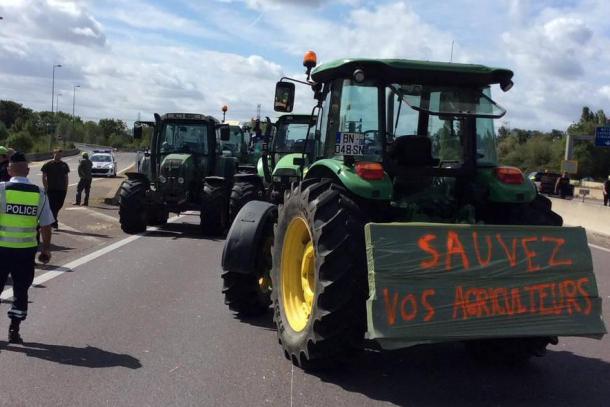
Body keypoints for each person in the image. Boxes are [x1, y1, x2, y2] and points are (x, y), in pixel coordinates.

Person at [0, 152, 54, 343]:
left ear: (8, 169)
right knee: (21, 291)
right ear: (28, 170)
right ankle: (14, 330)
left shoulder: (1, 189)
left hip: (1, 250)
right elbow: (46, 225)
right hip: (25, 252)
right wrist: (46, 249)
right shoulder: (39, 193)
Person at [41, 149, 69, 229]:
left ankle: (52, 220)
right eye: (57, 154)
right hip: (51, 189)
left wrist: (66, 187)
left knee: (59, 206)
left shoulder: (64, 165)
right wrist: (46, 187)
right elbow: (44, 177)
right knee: (53, 206)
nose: (58, 156)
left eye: (60, 155)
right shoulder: (48, 164)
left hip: (62, 189)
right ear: (53, 154)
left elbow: (66, 177)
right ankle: (54, 222)